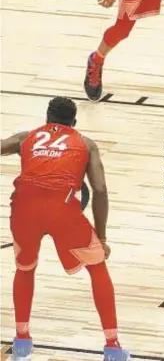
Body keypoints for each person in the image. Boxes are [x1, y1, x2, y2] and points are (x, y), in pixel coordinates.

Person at [1, 97, 130, 361]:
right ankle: (113, 347)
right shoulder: (85, 143)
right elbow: (100, 190)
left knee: (25, 268)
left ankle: (22, 343)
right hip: (63, 209)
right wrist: (102, 237)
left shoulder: (26, 138)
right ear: (74, 121)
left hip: (25, 208)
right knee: (97, 267)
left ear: (47, 118)